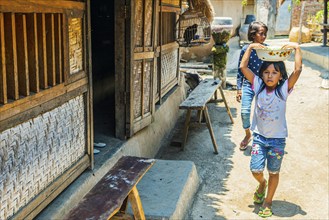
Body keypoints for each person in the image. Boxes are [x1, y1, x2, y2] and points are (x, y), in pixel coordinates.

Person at [239, 42, 302, 217]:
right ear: (261, 74)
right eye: (266, 72)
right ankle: (261, 184)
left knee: (274, 171)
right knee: (256, 170)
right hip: (259, 137)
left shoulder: (283, 90)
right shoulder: (258, 86)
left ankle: (268, 201)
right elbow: (243, 66)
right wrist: (251, 48)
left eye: (274, 72)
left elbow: (297, 71)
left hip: (277, 140)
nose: (270, 76)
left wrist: (297, 48)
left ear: (281, 76)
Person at [236, 21, 268, 150]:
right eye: (261, 34)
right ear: (253, 34)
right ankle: (248, 135)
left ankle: (261, 138)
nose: (264, 36)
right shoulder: (246, 49)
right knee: (244, 112)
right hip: (249, 85)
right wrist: (238, 88)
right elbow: (240, 70)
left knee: (263, 113)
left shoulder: (267, 49)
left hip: (263, 86)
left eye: (265, 34)